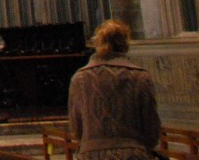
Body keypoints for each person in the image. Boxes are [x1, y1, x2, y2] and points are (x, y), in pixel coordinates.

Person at [67, 20, 161, 160]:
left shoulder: (80, 78)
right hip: (132, 155)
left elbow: (76, 127)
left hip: (92, 155)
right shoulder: (140, 77)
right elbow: (151, 125)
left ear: (98, 43)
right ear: (125, 43)